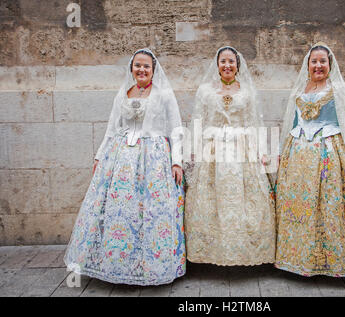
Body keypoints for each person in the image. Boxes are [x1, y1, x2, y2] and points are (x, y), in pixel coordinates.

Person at [64, 48, 186, 285]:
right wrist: (100, 157)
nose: (142, 70)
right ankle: (118, 264)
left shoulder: (164, 94)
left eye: (146, 66)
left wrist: (177, 161)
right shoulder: (123, 93)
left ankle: (151, 266)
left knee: (150, 212)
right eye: (137, 65)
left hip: (153, 158)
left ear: (153, 70)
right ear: (131, 68)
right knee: (120, 211)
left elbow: (176, 128)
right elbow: (111, 128)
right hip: (120, 160)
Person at [275, 42, 345, 277]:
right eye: (314, 61)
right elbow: (292, 124)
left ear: (330, 65)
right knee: (302, 206)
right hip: (299, 157)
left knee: (330, 204)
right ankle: (299, 259)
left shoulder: (340, 90)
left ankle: (335, 262)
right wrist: (282, 152)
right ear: (308, 64)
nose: (318, 65)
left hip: (331, 155)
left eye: (323, 61)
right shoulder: (300, 91)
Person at [184, 46, 276, 266]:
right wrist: (192, 150)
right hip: (212, 150)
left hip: (241, 149)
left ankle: (248, 251)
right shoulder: (205, 91)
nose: (227, 65)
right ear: (217, 65)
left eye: (231, 62)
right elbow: (198, 120)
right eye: (223, 61)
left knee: (247, 200)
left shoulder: (247, 91)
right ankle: (208, 253)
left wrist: (261, 151)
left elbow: (254, 122)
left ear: (238, 65)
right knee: (209, 199)